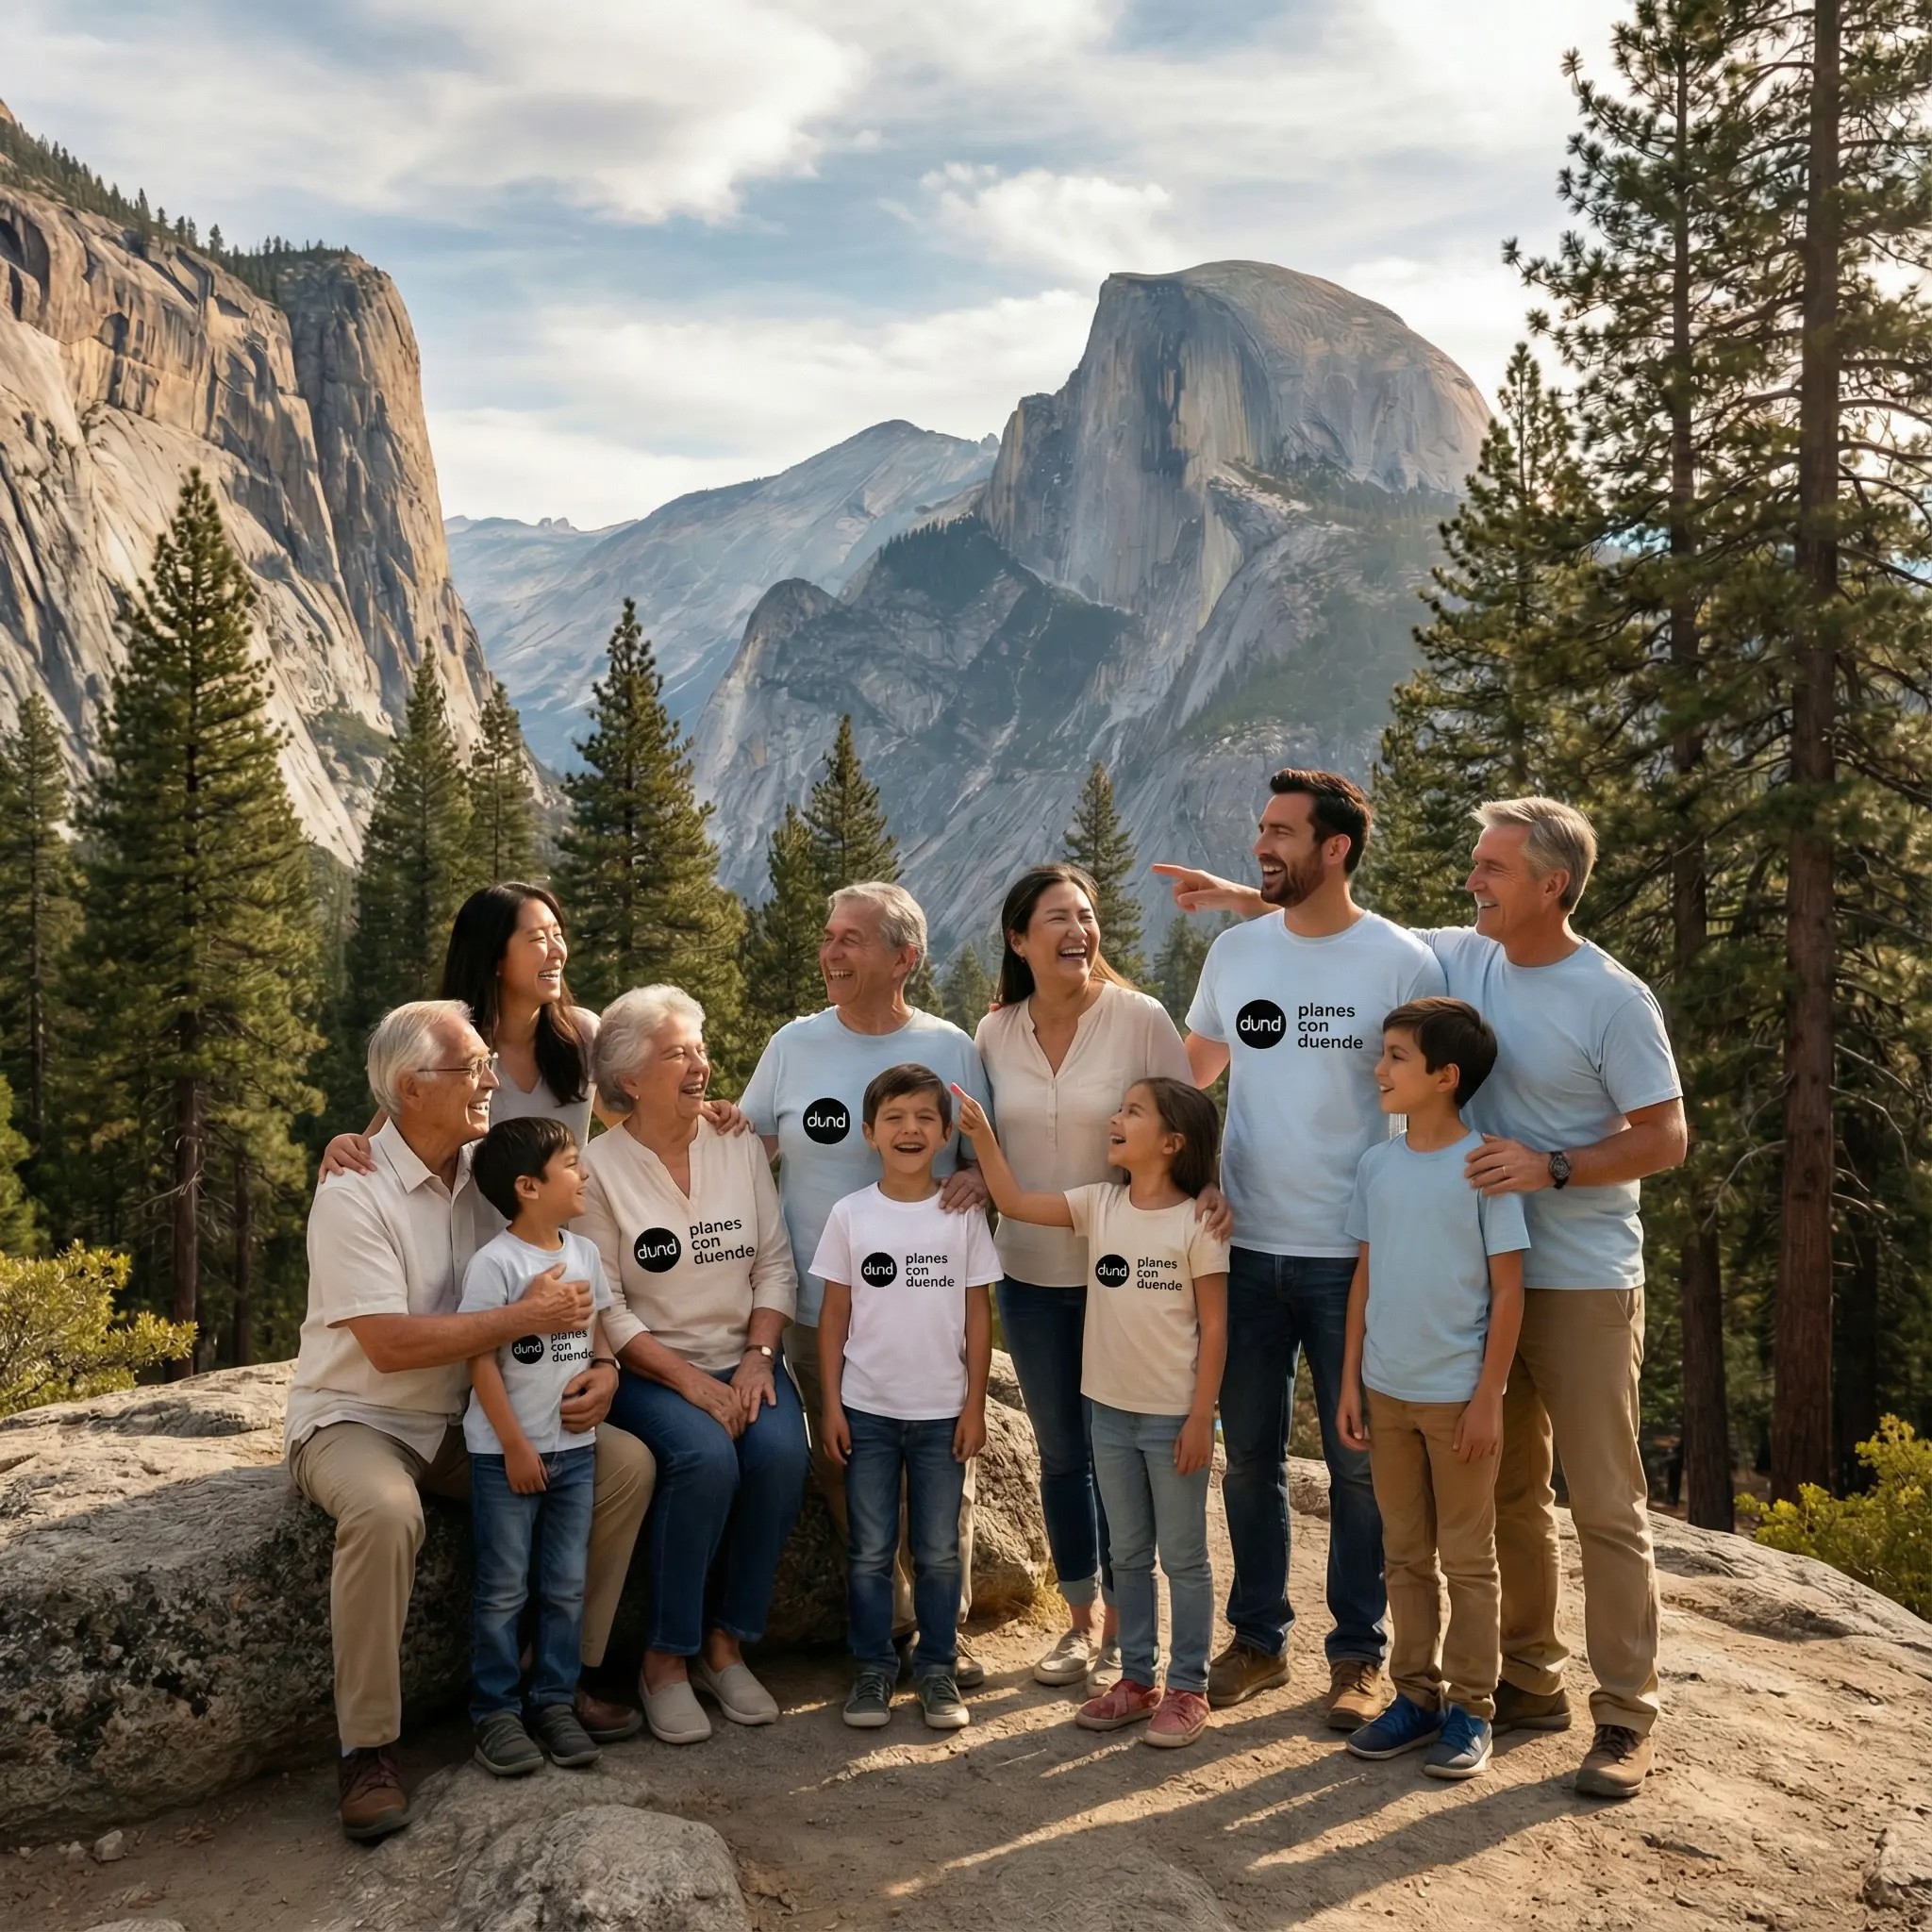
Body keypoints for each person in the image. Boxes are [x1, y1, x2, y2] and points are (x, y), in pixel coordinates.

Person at [285, 1000, 651, 1841]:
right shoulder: (354, 1192)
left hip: (468, 1416)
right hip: (357, 1418)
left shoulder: (494, 1173)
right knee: (383, 1511)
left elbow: (570, 1278)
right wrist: (522, 1322)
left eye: (490, 1064)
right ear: (412, 1089)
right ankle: (367, 1749)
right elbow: (387, 1345)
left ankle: (555, 1679)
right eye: (473, 1068)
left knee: (626, 1464)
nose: (493, 1080)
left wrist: (604, 1366)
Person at [1155, 769, 1444, 1726]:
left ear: (1335, 848)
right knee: (1250, 1461)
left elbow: (1432, 1103)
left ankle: (1357, 1654)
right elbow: (1191, 1079)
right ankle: (1257, 1639)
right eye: (1259, 827)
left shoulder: (1399, 962)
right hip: (1241, 1247)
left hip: (1351, 1252)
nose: (1260, 846)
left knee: (1361, 1461)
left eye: (1280, 831)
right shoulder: (1237, 953)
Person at [1421, 798, 1686, 1799]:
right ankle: (1530, 1680)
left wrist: (1555, 1164)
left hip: (1579, 1279)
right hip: (1488, 1274)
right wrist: (1244, 895)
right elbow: (1357, 936)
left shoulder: (1610, 996)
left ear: (1550, 884)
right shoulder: (1469, 955)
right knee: (1503, 1491)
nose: (1471, 882)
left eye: (1489, 868)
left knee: (1606, 1505)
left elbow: (1664, 1136)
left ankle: (1624, 1714)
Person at [975, 862, 1221, 1690]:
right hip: (1030, 1270)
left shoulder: (1140, 1018)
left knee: (1121, 1448)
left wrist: (1211, 1197)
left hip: (1132, 1278)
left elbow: (1189, 1129)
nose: (1078, 930)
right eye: (1057, 917)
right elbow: (985, 1141)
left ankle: (1128, 1615)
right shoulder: (994, 1032)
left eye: (1086, 915)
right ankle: (1079, 1619)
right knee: (1060, 1453)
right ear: (1019, 939)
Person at [741, 881, 991, 1682]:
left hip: (931, 1307)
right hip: (824, 1312)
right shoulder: (792, 1046)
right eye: (827, 936)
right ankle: (890, 1628)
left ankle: (942, 1638)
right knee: (846, 1466)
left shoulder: (952, 1049)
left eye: (851, 939)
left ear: (903, 958)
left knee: (942, 1469)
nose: (830, 952)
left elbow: (993, 1154)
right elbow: (744, 1146)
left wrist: (984, 1181)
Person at [955, 1077, 1228, 1749]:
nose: (1114, 1119)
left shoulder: (1198, 1220)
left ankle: (1189, 1687)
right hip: (1107, 1413)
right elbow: (1014, 1203)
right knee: (1129, 1554)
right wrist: (983, 1137)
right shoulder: (1100, 1203)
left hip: (1172, 1420)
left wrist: (1201, 1419)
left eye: (1131, 1112)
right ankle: (1138, 1681)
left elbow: (1216, 1329)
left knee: (1184, 1558)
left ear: (1171, 1143)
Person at [578, 985, 808, 1746]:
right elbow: (606, 1305)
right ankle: (665, 1661)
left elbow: (775, 1265)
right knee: (705, 1458)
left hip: (744, 1357)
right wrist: (689, 1382)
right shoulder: (598, 1170)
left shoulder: (737, 1143)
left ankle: (726, 1646)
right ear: (629, 1078)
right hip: (648, 1373)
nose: (700, 1065)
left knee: (778, 1453)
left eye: (700, 1048)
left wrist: (756, 1359)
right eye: (677, 1053)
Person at [1336, 999, 1526, 1783]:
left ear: (1446, 1077)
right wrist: (1348, 1379)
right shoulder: (1378, 1164)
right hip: (1385, 1393)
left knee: (1467, 1557)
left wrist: (1489, 1396)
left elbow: (1510, 1293)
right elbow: (1365, 1277)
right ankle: (1414, 1696)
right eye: (1383, 1055)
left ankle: (1472, 1708)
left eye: (1396, 1058)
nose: (1379, 1070)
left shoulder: (1486, 1166)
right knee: (1405, 1554)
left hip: (1457, 1401)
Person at [813, 1065, 999, 1732]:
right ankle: (872, 1669)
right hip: (865, 1410)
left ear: (947, 1135)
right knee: (869, 1547)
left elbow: (979, 1315)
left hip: (943, 1413)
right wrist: (831, 1407)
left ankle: (939, 1669)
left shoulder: (963, 1216)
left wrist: (975, 1405)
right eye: (894, 1118)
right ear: (869, 1134)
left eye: (925, 1118)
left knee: (940, 1548)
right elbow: (833, 1317)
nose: (910, 1129)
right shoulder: (850, 1215)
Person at [459, 1115, 619, 1777]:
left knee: (563, 1584)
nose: (584, 1175)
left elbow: (600, 1337)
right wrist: (517, 1447)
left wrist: (603, 1372)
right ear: (528, 1186)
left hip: (575, 1453)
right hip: (506, 1458)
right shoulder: (493, 1265)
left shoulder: (582, 1254)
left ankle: (552, 1700)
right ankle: (494, 1712)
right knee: (501, 1588)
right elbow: (480, 1360)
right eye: (572, 1166)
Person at [320, 884, 603, 1181]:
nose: (557, 951)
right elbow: (379, 1143)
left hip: (567, 1227)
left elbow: (632, 1136)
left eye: (558, 935)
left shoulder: (583, 1035)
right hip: (468, 1228)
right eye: (538, 939)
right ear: (494, 958)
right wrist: (345, 1147)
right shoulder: (449, 1053)